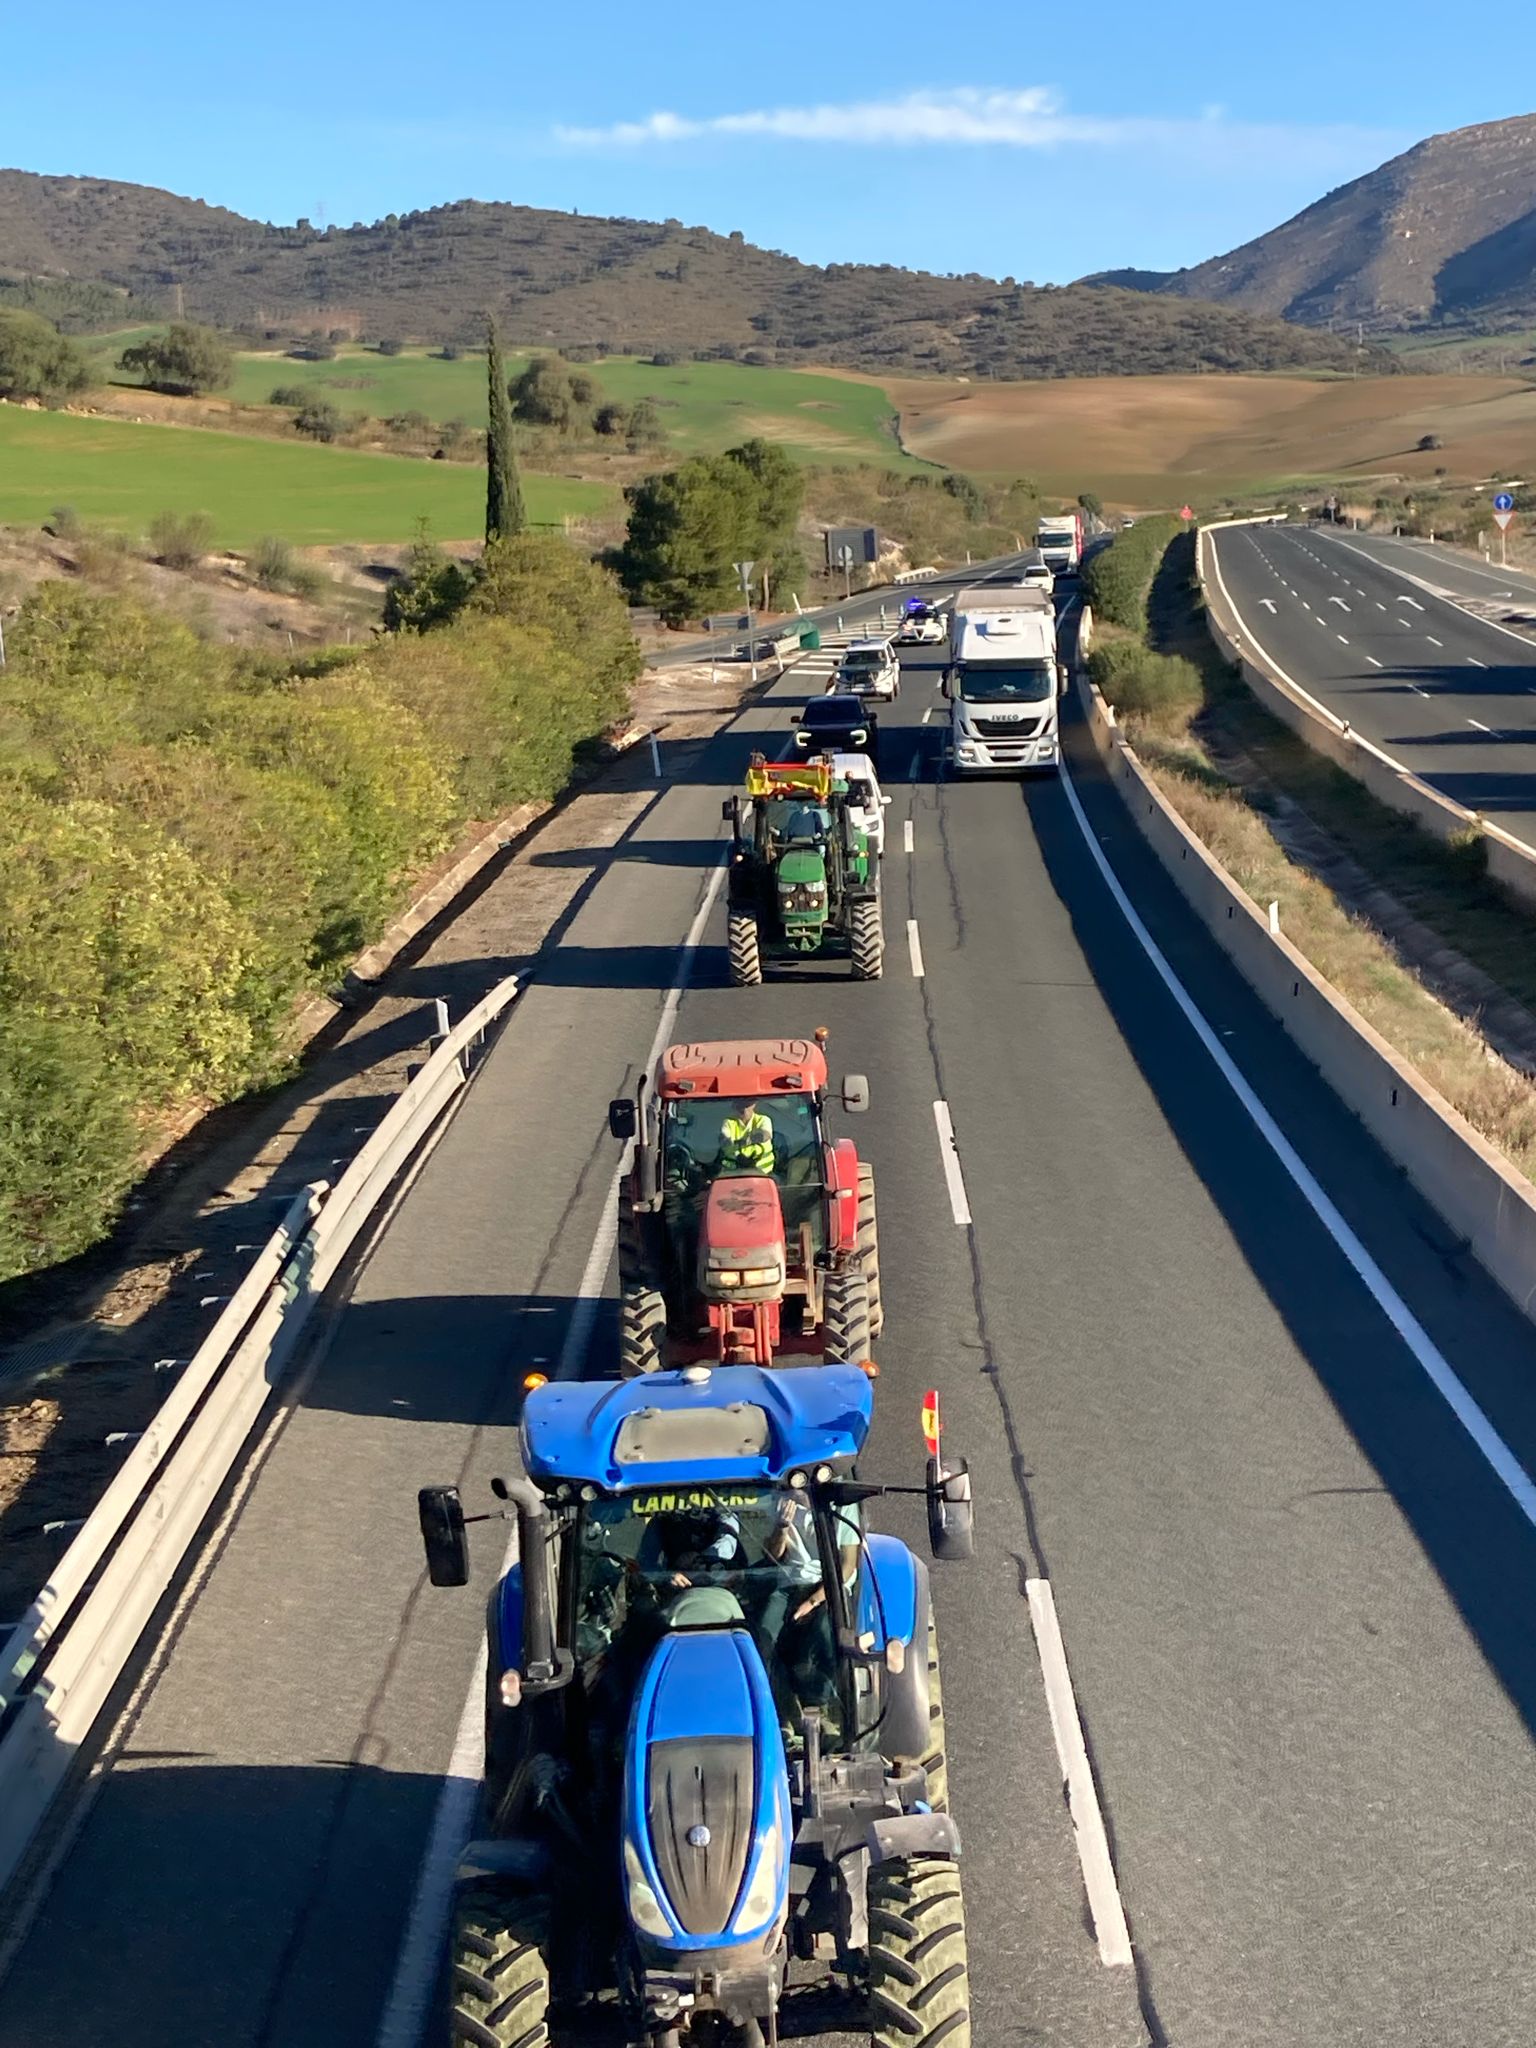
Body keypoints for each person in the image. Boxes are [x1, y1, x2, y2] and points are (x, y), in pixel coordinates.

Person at [718, 1104, 775, 1176]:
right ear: (734, 1107)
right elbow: (724, 1139)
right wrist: (735, 1153)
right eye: (740, 1105)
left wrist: (747, 1141)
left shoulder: (763, 1120)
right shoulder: (728, 1122)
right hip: (733, 1173)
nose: (744, 1109)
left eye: (747, 1105)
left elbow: (765, 1134)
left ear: (754, 1105)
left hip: (765, 1174)